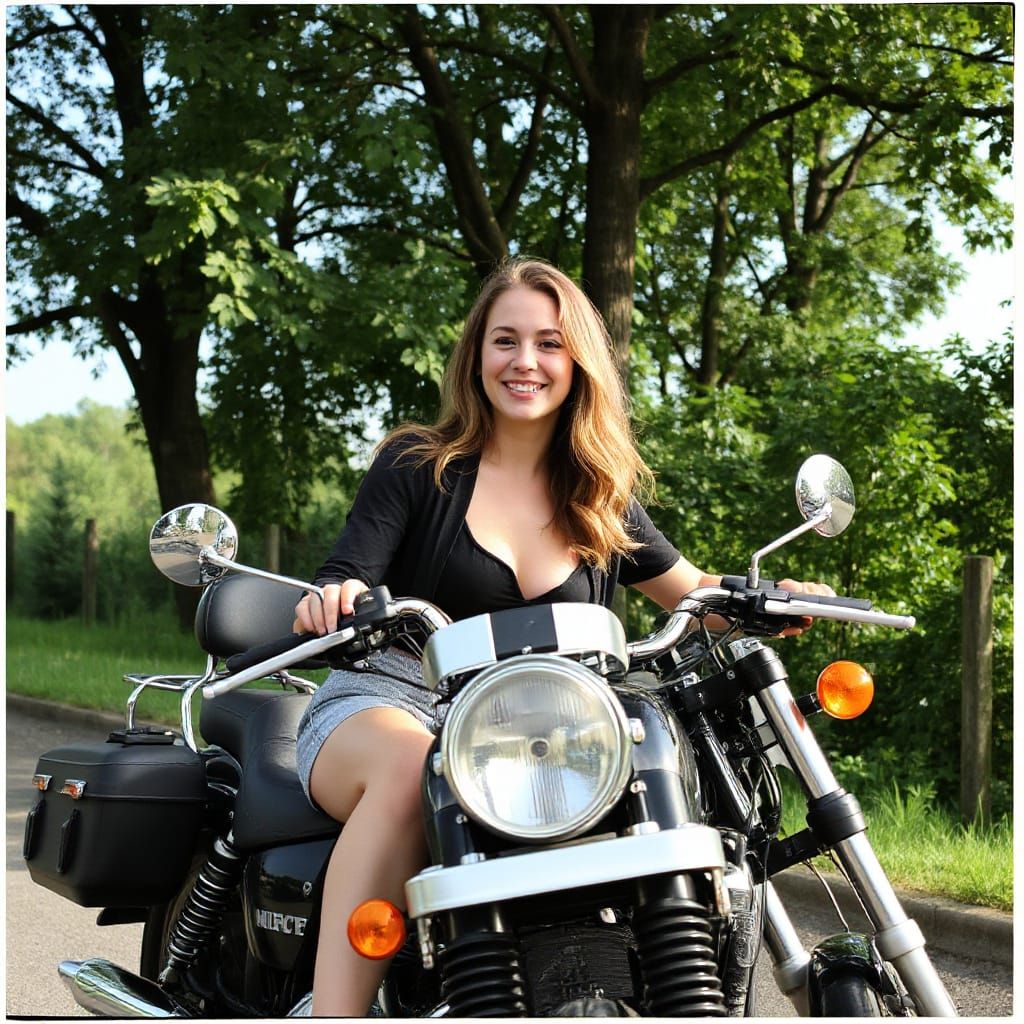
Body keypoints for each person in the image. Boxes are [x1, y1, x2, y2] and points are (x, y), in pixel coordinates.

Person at [292, 257, 830, 1015]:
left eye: (548, 343)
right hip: (393, 700)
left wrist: (768, 598)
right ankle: (334, 1014)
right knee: (420, 770)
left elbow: (694, 595)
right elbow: (347, 571)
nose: (525, 362)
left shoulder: (599, 492)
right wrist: (337, 596)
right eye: (505, 340)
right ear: (476, 353)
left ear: (577, 361)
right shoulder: (418, 464)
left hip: (542, 730)